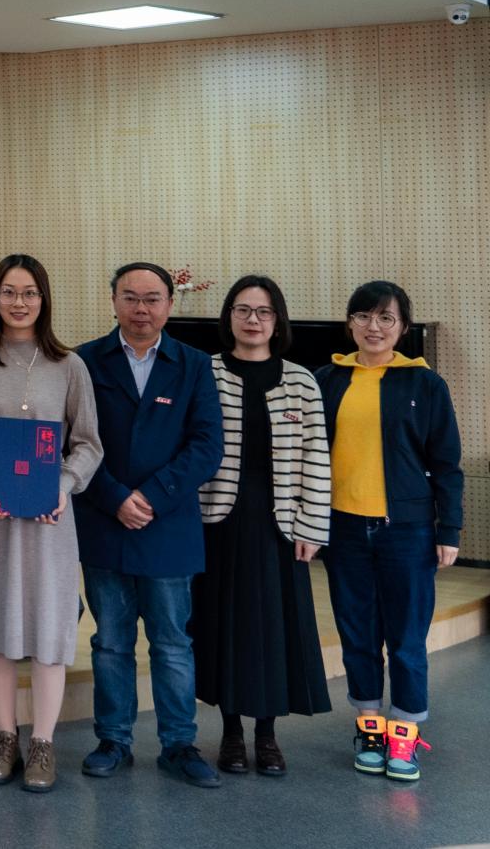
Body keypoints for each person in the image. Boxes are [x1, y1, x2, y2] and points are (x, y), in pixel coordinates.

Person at [0, 254, 102, 794]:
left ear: (44, 299)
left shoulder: (69, 365)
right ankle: (3, 738)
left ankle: (42, 743)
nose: (19, 302)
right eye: (9, 292)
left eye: (30, 292)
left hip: (47, 520)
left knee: (46, 628)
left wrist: (62, 484)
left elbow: (88, 444)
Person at [74, 262, 223, 788]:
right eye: (130, 297)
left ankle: (179, 744)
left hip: (167, 526)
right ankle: (113, 739)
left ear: (169, 304)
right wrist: (114, 497)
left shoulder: (195, 364)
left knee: (172, 643)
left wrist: (151, 497)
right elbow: (74, 441)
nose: (141, 309)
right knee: (111, 643)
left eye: (152, 298)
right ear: (113, 300)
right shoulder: (84, 361)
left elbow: (207, 445)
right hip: (104, 521)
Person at [315, 280, 463, 783]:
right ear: (350, 323)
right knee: (357, 633)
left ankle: (405, 733)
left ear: (402, 327)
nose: (373, 327)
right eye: (363, 316)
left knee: (406, 638)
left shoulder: (425, 384)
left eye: (385, 318)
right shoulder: (327, 379)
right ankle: (369, 727)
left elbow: (446, 463)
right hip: (343, 529)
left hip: (408, 531)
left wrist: (449, 528)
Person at [191, 275, 331, 777]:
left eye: (264, 311)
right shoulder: (203, 373)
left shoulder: (301, 381)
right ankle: (230, 732)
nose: (253, 320)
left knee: (273, 630)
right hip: (217, 521)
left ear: (278, 320)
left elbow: (317, 455)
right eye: (243, 310)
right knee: (222, 628)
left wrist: (312, 525)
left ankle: (267, 734)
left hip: (280, 525)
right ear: (228, 316)